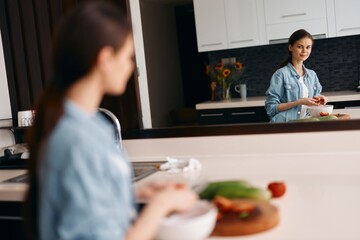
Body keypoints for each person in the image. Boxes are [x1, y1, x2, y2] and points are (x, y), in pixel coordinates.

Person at [25, 2, 197, 240]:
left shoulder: (88, 124)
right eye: (128, 57)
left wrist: (136, 192)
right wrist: (161, 205)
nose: (131, 66)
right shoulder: (76, 141)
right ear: (105, 59)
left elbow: (89, 202)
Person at [265, 29, 328, 122]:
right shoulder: (281, 74)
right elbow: (271, 108)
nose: (304, 51)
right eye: (300, 47)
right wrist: (299, 102)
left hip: (306, 125)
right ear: (290, 47)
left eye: (308, 47)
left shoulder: (312, 75)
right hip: (284, 126)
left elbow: (313, 105)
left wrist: (320, 99)